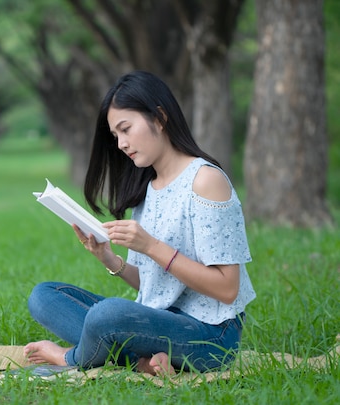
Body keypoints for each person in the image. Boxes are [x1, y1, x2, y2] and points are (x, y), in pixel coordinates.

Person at [24, 71, 256, 375]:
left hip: (210, 336)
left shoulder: (205, 181)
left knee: (107, 315)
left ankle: (71, 358)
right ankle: (143, 362)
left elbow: (227, 289)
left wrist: (151, 246)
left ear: (159, 118)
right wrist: (109, 259)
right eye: (116, 136)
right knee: (43, 296)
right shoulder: (148, 188)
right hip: (156, 321)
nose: (121, 143)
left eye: (126, 129)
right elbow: (155, 286)